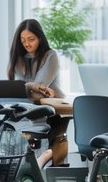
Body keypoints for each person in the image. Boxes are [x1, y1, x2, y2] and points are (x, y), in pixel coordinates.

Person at [7, 18, 69, 165]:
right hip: (32, 110)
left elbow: (39, 88)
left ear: (40, 38)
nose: (26, 44)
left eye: (31, 39)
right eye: (22, 40)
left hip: (54, 112)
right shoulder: (20, 59)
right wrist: (30, 87)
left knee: (48, 152)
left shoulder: (50, 56)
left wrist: (28, 87)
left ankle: (44, 163)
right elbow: (20, 89)